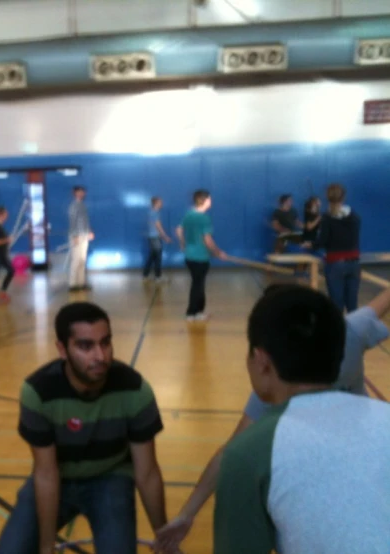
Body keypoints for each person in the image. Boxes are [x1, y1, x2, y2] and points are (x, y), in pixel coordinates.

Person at [154, 283, 390, 554]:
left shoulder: (253, 451)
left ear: (262, 361)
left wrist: (186, 513)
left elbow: (233, 450)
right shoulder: (351, 332)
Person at [0, 302, 168, 554]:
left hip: (111, 478)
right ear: (62, 349)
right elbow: (46, 473)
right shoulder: (38, 392)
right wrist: (45, 546)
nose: (100, 356)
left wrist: (164, 536)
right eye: (86, 346)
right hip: (57, 478)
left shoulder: (135, 390)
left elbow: (147, 472)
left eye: (105, 342)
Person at [176, 190, 226, 322]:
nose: (211, 201)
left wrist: (182, 244)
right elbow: (207, 240)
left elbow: (179, 230)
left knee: (197, 284)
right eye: (210, 199)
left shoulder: (189, 214)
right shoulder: (204, 218)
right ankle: (193, 313)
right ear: (204, 200)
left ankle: (196, 312)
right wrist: (218, 252)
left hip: (190, 257)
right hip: (200, 258)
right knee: (198, 285)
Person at [311, 183, 361, 313]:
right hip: (354, 262)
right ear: (344, 197)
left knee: (336, 304)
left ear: (327, 198)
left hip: (335, 264)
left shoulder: (327, 218)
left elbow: (323, 241)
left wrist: (312, 245)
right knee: (352, 304)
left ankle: (338, 331)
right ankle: (354, 332)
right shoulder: (355, 217)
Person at [68, 186, 93, 292]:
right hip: (77, 236)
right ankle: (73, 284)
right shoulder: (74, 206)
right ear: (74, 193)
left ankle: (81, 282)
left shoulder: (82, 205)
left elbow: (84, 220)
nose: (81, 194)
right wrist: (75, 236)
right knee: (76, 260)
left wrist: (89, 232)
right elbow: (73, 220)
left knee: (82, 260)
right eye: (79, 192)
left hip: (84, 235)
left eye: (83, 192)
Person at [143, 197, 171, 283]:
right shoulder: (155, 213)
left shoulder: (150, 212)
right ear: (156, 203)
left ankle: (146, 275)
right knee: (158, 257)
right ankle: (158, 277)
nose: (162, 204)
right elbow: (158, 226)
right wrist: (165, 237)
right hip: (155, 237)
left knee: (152, 256)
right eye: (160, 202)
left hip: (151, 237)